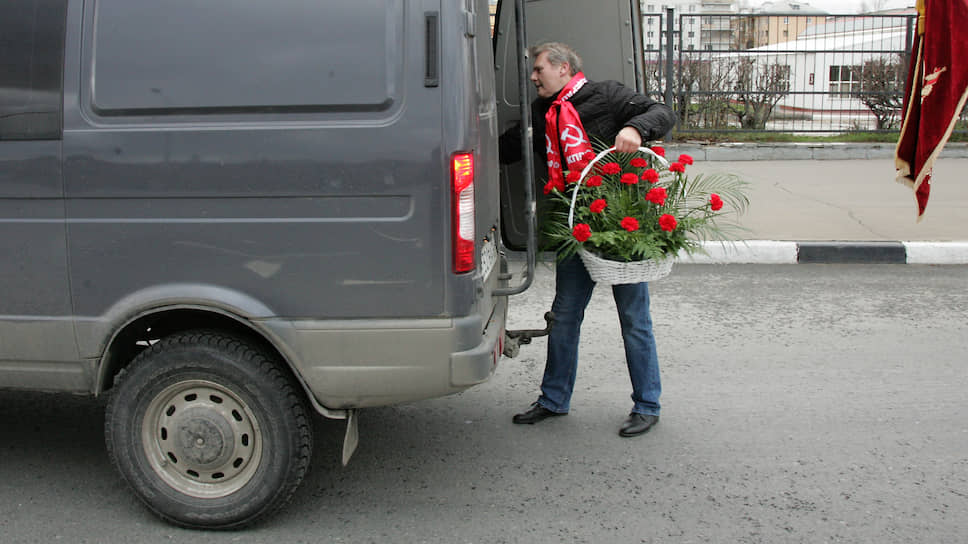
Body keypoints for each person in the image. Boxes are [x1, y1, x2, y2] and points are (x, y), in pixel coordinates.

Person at [500, 42, 677, 437]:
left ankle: (647, 405)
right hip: (572, 225)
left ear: (563, 69)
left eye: (539, 69)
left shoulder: (608, 95)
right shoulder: (541, 112)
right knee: (564, 317)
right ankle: (553, 399)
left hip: (618, 225)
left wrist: (635, 128)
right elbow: (512, 146)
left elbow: (663, 112)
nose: (533, 77)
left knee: (633, 319)